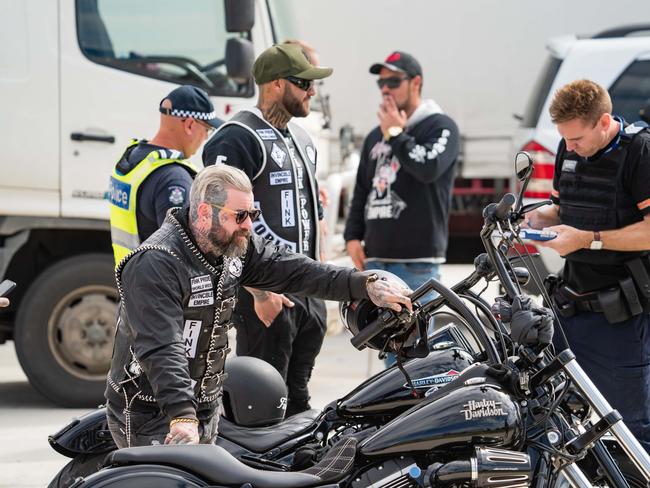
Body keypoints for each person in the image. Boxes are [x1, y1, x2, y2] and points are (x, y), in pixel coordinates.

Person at [104, 164, 412, 448]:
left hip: (201, 409)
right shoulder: (156, 263)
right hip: (153, 412)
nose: (249, 226)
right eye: (239, 216)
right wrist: (183, 415)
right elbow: (162, 347)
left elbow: (295, 270)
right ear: (202, 213)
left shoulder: (230, 247)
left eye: (253, 213)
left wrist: (362, 285)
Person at [202, 43, 332, 416]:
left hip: (306, 293)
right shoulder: (236, 136)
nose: (312, 92)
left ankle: (297, 471)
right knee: (259, 404)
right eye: (304, 83)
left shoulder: (304, 140)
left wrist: (321, 280)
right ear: (275, 84)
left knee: (298, 400)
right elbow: (221, 221)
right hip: (266, 294)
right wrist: (259, 292)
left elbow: (312, 216)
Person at [526, 79, 650, 452]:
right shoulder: (570, 149)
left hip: (621, 321)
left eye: (576, 138)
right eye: (564, 138)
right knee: (551, 421)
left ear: (604, 121)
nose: (569, 147)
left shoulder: (639, 152)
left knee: (631, 433)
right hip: (568, 310)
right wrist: (530, 220)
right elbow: (561, 210)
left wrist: (589, 238)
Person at [343, 51, 460, 366]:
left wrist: (396, 134)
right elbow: (363, 190)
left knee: (412, 362)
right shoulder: (373, 137)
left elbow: (428, 168)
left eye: (393, 81)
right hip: (377, 261)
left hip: (417, 265)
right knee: (386, 361)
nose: (385, 89)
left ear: (416, 82)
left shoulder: (440, 127)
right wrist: (353, 236)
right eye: (381, 83)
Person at [108, 85, 222, 265]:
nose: (205, 137)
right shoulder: (173, 178)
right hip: (159, 287)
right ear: (190, 124)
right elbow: (185, 253)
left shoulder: (134, 159)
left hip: (130, 279)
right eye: (206, 129)